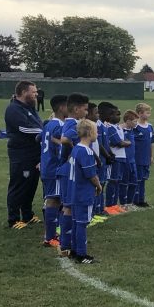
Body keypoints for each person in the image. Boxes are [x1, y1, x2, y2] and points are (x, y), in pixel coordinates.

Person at [4, 80, 43, 229]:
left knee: (31, 184)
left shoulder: (30, 108)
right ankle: (13, 219)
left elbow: (38, 125)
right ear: (24, 92)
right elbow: (23, 129)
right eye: (33, 92)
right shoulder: (13, 109)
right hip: (21, 154)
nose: (36, 94)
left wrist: (44, 128)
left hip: (34, 153)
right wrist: (45, 132)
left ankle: (27, 214)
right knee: (19, 185)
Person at [56, 93, 89, 253]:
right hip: (67, 170)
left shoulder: (72, 122)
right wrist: (73, 151)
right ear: (76, 109)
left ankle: (68, 242)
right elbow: (63, 139)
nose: (86, 112)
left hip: (68, 170)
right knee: (68, 207)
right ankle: (65, 244)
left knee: (70, 206)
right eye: (85, 109)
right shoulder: (73, 123)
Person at [69, 118, 103, 264]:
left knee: (76, 221)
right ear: (89, 133)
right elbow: (90, 174)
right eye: (96, 131)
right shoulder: (86, 151)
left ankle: (74, 250)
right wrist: (99, 185)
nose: (98, 134)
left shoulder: (76, 148)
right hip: (83, 192)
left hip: (74, 191)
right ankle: (82, 255)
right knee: (82, 223)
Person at [39, 94, 67, 246]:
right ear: (62, 108)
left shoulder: (49, 124)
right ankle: (49, 237)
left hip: (48, 167)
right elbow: (59, 148)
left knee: (55, 199)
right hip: (55, 168)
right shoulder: (59, 126)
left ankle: (51, 234)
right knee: (54, 200)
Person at [133, 102, 154, 207]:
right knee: (136, 179)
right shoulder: (135, 127)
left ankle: (141, 199)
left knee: (143, 179)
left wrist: (151, 156)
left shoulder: (150, 127)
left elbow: (151, 143)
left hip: (145, 158)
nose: (149, 115)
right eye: (147, 112)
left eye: (149, 113)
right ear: (139, 114)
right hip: (137, 158)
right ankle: (135, 199)